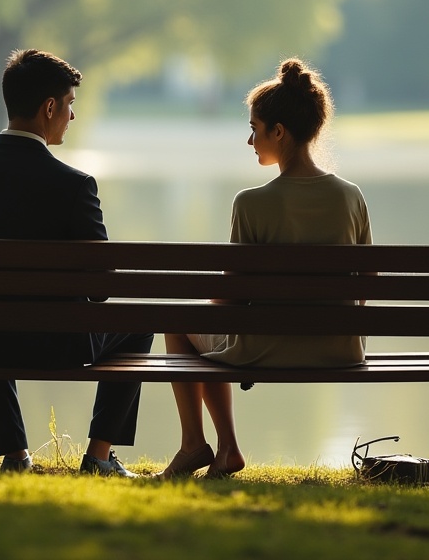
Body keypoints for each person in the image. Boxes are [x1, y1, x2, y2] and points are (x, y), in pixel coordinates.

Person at [0, 49, 153, 477]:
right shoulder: (75, 185)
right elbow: (103, 287)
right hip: (57, 344)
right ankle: (99, 455)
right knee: (139, 319)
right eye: (69, 106)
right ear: (49, 107)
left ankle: (15, 455)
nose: (71, 117)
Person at [158, 58, 372, 479]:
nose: (250, 140)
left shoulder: (251, 203)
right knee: (205, 322)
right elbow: (367, 282)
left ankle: (203, 445)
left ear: (279, 132)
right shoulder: (351, 197)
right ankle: (221, 450)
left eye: (255, 129)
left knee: (177, 322)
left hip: (262, 347)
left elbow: (229, 299)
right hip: (341, 350)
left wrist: (208, 304)